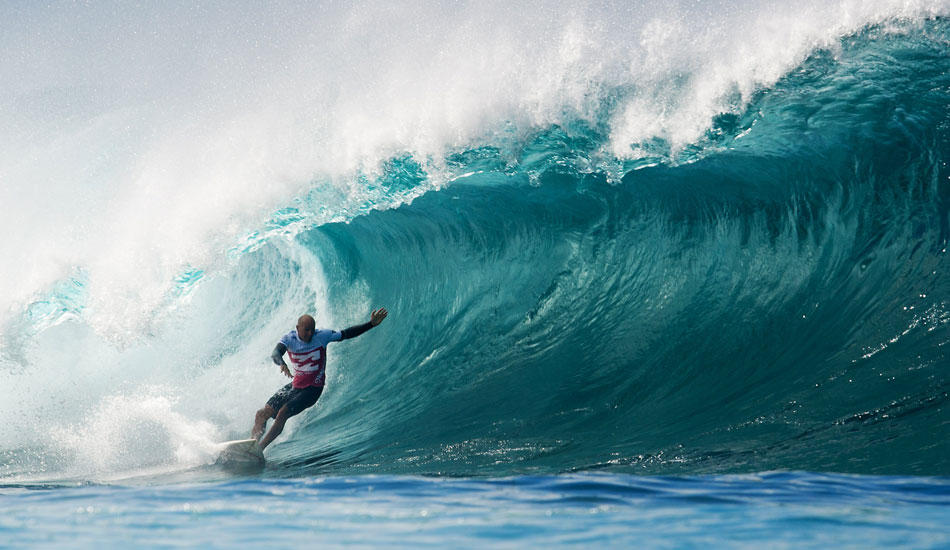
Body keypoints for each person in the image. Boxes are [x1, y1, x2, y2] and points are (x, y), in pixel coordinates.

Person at [252, 308, 388, 451]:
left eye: (312, 330)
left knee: (283, 413)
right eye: (306, 330)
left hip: (313, 389)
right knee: (262, 414)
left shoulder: (322, 336)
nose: (310, 333)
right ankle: (251, 445)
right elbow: (275, 353)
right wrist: (282, 363)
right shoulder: (289, 339)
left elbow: (347, 333)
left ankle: (259, 449)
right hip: (295, 386)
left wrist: (370, 324)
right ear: (297, 328)